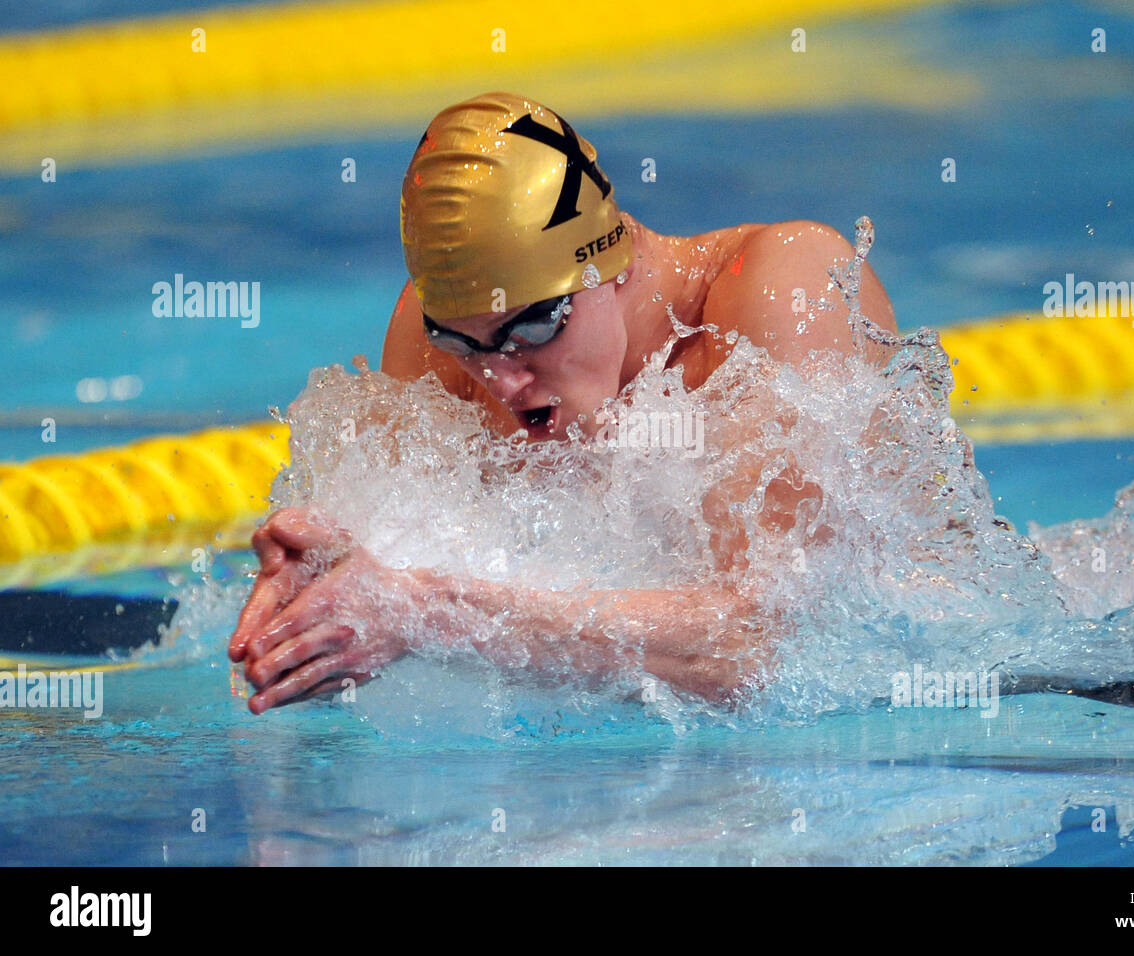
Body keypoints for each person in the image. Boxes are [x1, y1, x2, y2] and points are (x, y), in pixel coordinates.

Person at [228, 91, 898, 714]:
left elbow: (770, 646)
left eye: (534, 328)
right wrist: (318, 599)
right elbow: (398, 589)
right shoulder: (450, 343)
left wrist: (432, 613)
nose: (501, 379)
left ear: (619, 260)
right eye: (463, 340)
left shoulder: (781, 288)